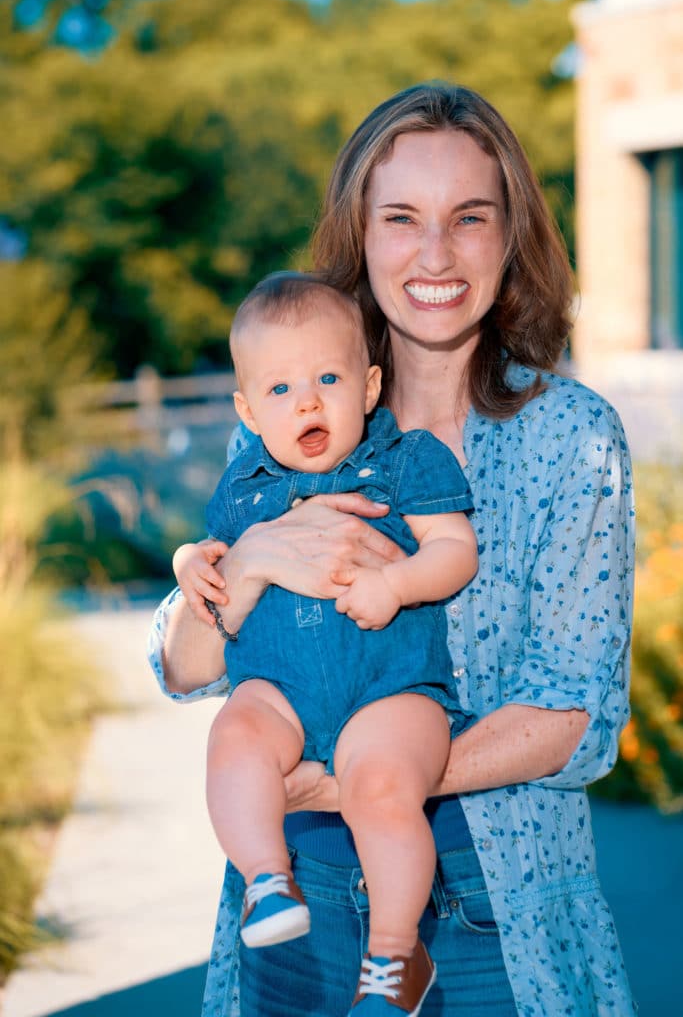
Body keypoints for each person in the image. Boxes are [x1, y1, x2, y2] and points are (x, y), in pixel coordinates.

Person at [148, 82, 636, 1017]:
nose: (435, 254)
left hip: (499, 902)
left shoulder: (569, 435)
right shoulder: (285, 421)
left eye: (469, 218)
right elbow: (184, 669)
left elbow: (576, 711)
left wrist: (365, 780)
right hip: (298, 891)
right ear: (359, 236)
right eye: (401, 218)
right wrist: (243, 565)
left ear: (510, 236)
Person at [172, 270, 478, 1015]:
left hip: (390, 688)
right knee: (235, 733)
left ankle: (394, 956)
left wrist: (398, 584)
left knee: (381, 790)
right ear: (247, 409)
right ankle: (267, 878)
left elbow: (454, 549)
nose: (306, 400)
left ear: (369, 386)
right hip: (280, 690)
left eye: (328, 377)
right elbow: (215, 561)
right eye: (278, 390)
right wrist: (191, 561)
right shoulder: (242, 488)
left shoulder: (406, 460)